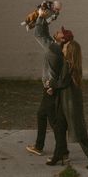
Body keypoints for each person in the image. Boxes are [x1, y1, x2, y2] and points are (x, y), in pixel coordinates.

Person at [46, 39, 88, 169]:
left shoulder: (69, 64)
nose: (63, 49)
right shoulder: (72, 64)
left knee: (79, 132)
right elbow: (64, 83)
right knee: (59, 129)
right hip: (65, 103)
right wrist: (54, 87)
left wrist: (51, 84)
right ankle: (58, 154)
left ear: (69, 51)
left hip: (70, 105)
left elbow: (63, 83)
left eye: (65, 48)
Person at [26, 9, 72, 157]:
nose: (58, 31)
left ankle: (60, 150)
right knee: (43, 115)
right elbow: (45, 34)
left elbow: (39, 34)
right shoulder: (56, 47)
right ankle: (42, 146)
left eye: (60, 33)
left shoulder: (53, 48)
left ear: (62, 39)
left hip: (49, 87)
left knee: (53, 120)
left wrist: (40, 16)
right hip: (50, 86)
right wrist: (47, 17)